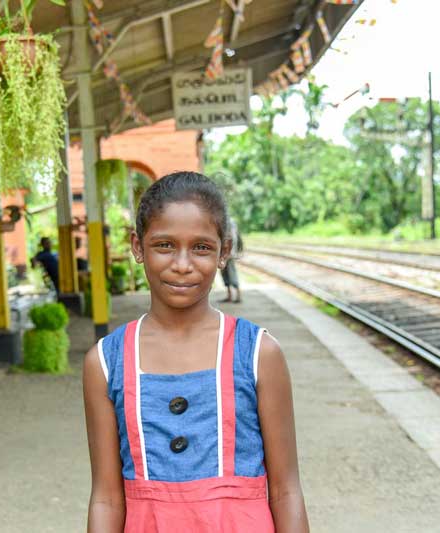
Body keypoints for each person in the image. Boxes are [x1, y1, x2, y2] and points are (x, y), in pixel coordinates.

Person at [83, 172, 308, 532]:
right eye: (164, 245)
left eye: (201, 247)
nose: (183, 264)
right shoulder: (105, 363)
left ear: (225, 251)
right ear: (138, 247)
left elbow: (286, 490)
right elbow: (106, 497)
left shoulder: (258, 354)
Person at [221, 217, 242, 303]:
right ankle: (229, 296)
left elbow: (233, 238)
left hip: (230, 254)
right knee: (225, 274)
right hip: (225, 254)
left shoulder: (230, 222)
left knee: (232, 273)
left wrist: (231, 253)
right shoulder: (225, 220)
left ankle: (238, 296)